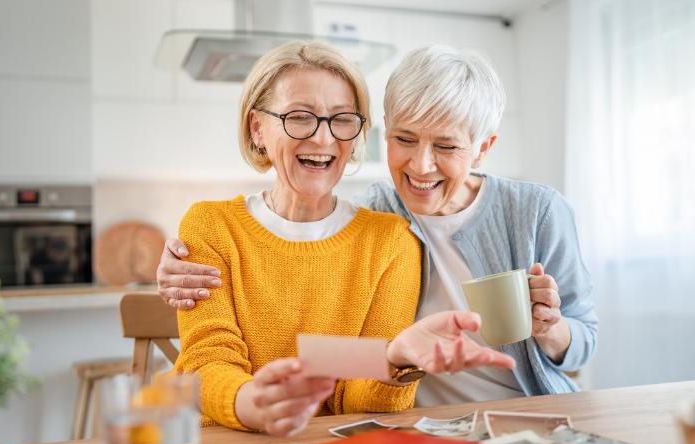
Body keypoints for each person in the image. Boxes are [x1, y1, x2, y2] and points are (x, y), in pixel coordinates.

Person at [160, 45, 597, 407]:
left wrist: (551, 328)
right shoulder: (378, 215)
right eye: (404, 139)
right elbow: (309, 344)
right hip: (420, 422)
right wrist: (170, 272)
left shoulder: (534, 212)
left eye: (446, 146)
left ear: (482, 148)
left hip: (529, 408)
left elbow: (583, 342)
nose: (421, 165)